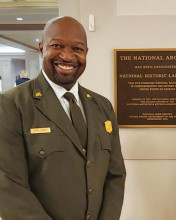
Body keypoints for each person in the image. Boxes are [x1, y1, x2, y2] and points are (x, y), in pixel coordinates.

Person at [0, 16, 126, 220]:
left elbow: (115, 176)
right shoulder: (11, 105)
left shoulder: (102, 106)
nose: (67, 56)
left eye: (77, 49)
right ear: (42, 49)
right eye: (57, 45)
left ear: (86, 53)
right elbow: (8, 186)